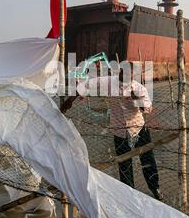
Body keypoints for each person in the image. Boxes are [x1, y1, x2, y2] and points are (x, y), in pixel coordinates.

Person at [61, 65, 163, 201]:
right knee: (124, 162)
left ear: (133, 77)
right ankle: (129, 193)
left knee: (147, 159)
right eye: (124, 74)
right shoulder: (108, 82)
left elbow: (148, 108)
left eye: (130, 76)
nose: (126, 78)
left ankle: (154, 188)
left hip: (138, 128)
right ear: (120, 71)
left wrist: (135, 99)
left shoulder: (138, 88)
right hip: (119, 129)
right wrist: (70, 100)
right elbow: (87, 84)